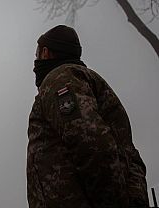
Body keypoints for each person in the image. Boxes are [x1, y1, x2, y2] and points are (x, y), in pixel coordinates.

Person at [27, 25, 149, 208]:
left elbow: (91, 144)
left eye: (36, 55)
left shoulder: (61, 79)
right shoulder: (82, 80)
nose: (35, 64)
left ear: (45, 53)